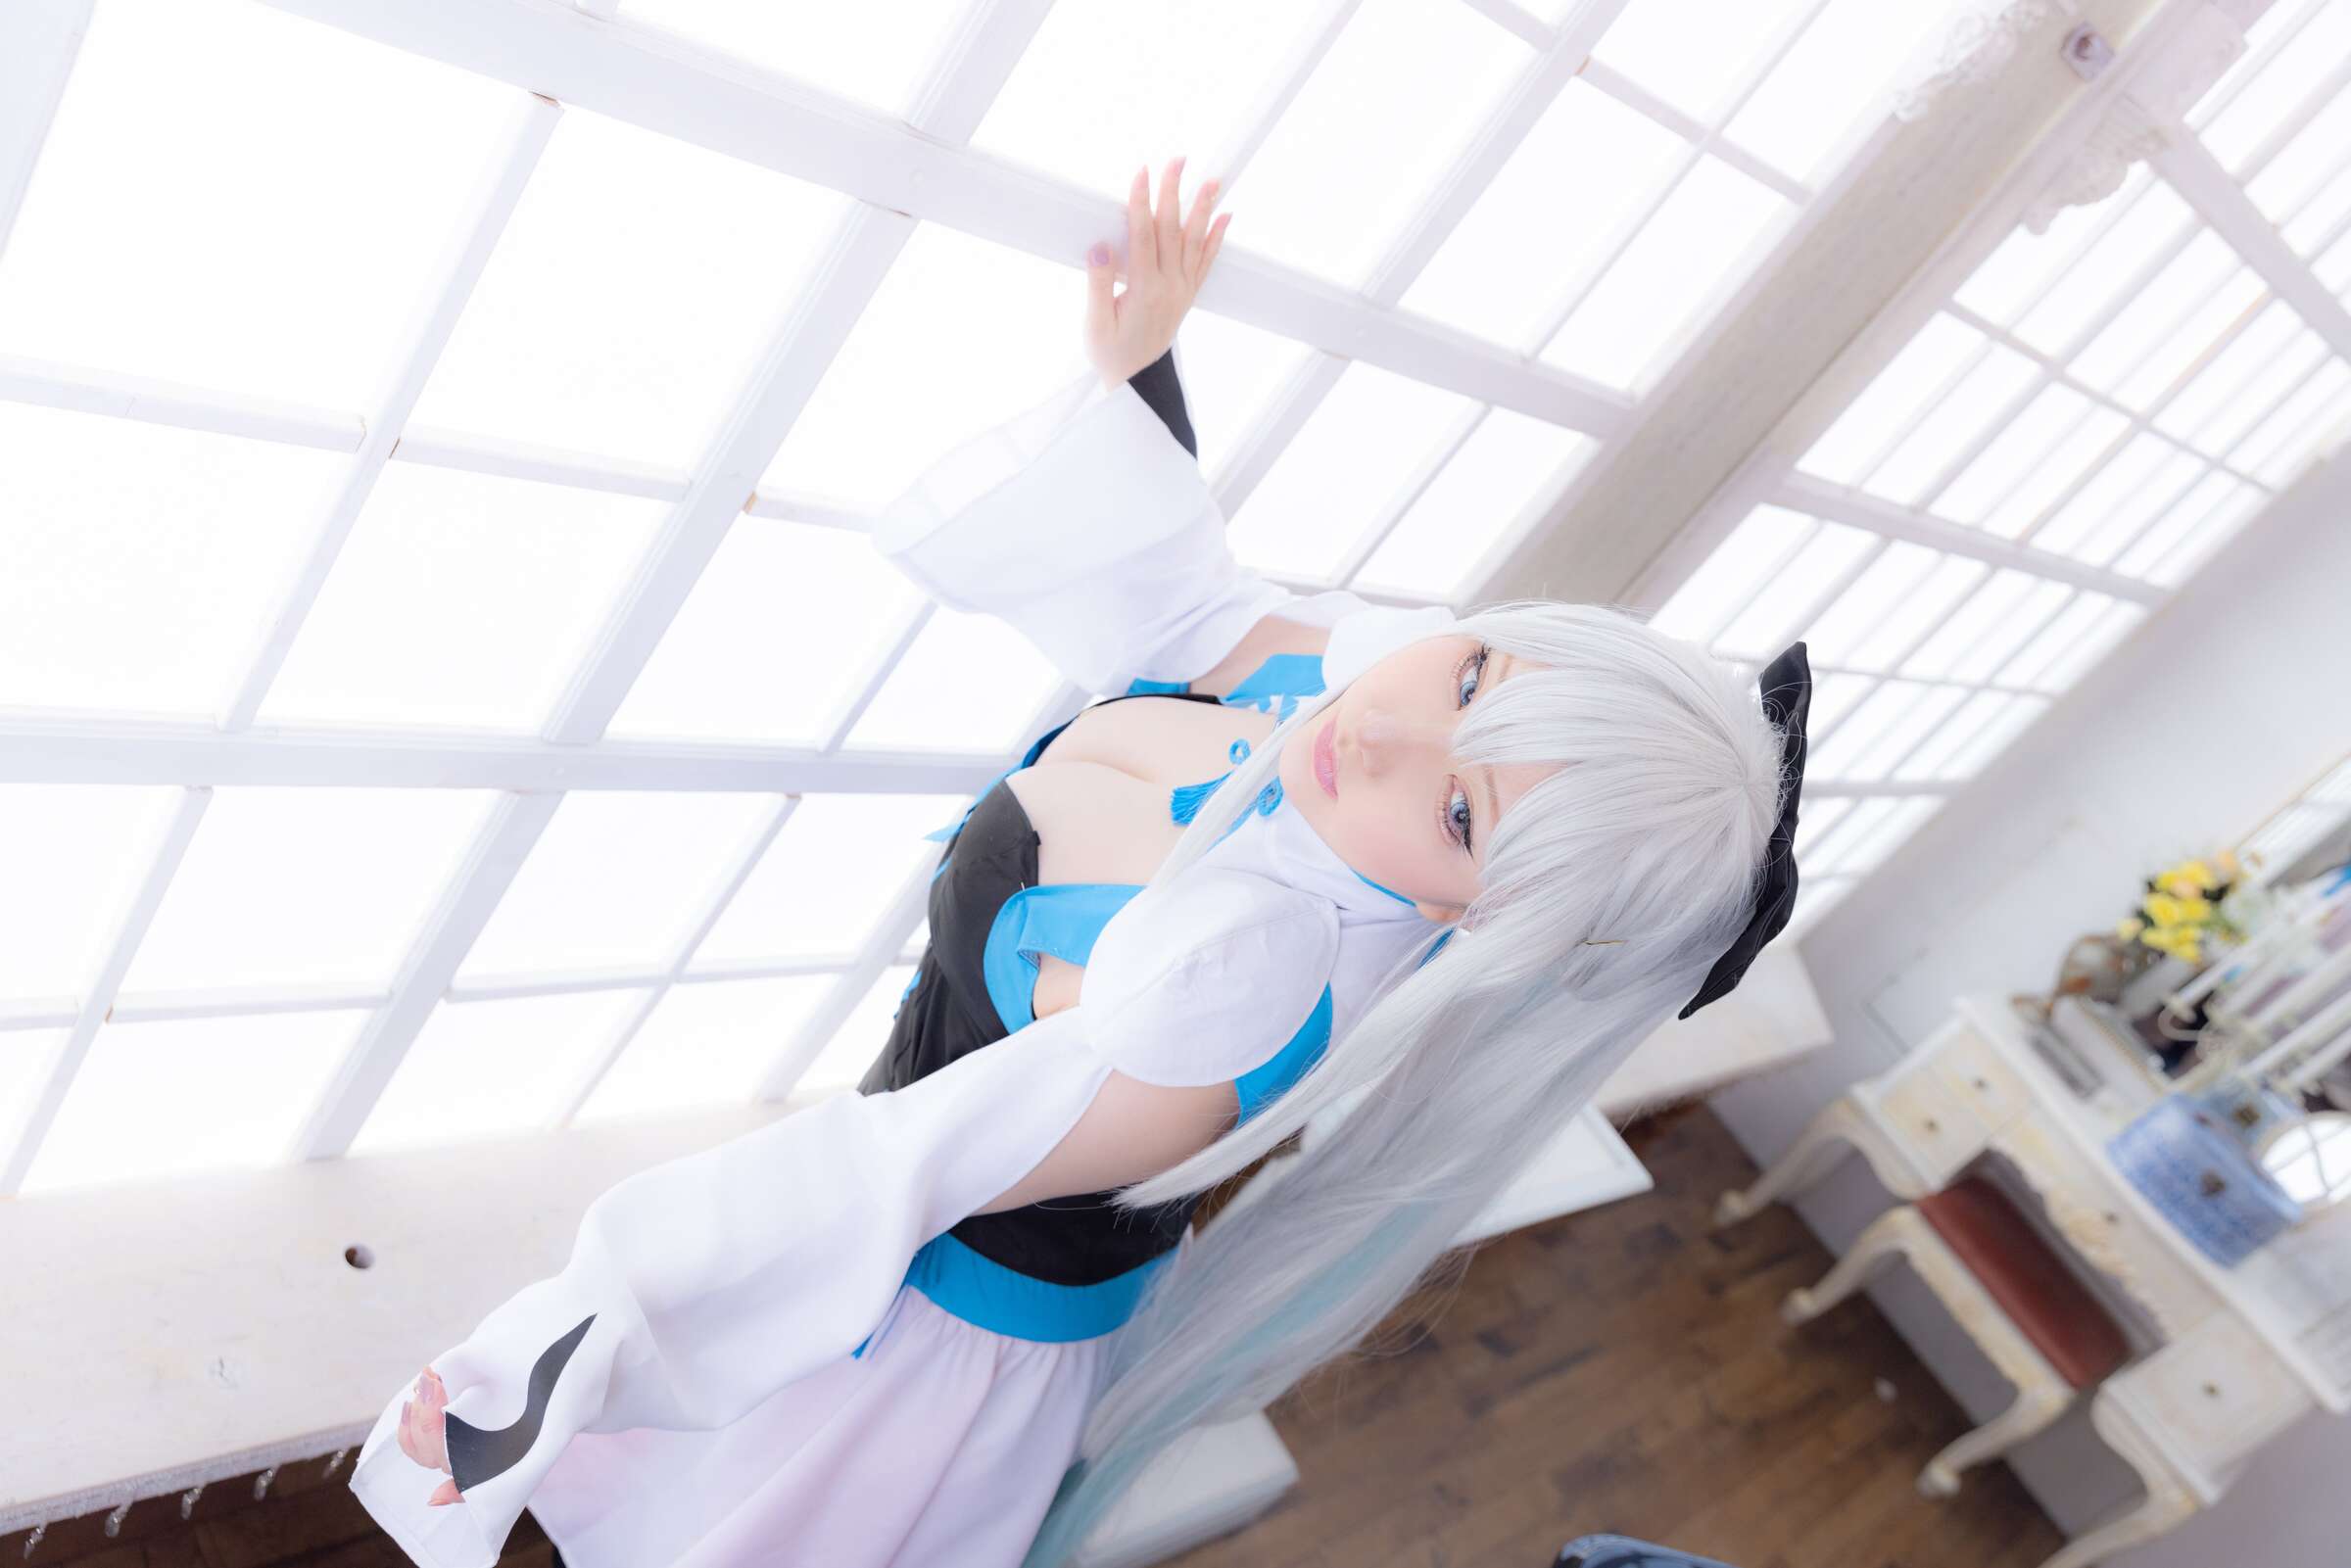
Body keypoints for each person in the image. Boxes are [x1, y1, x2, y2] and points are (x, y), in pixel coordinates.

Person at [348, 157, 1810, 1568]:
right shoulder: (1363, 680)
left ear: (1471, 912)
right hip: (886, 1237)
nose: (1385, 735)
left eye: (1463, 815)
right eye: (1479, 675)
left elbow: (881, 1178)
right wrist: (1144, 370)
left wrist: (562, 1354)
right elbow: (1195, 611)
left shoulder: (1230, 980)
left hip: (908, 1353)